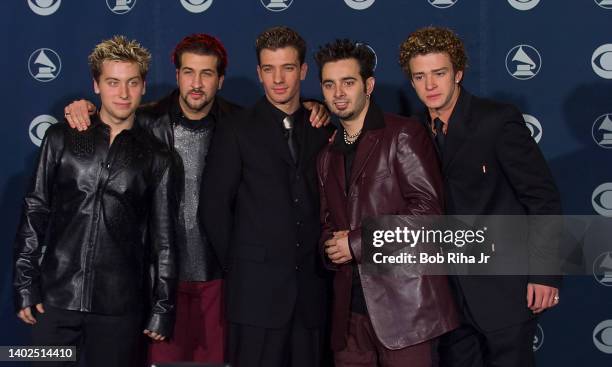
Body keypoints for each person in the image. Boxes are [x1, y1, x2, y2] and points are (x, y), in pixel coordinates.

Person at [62, 33, 328, 364]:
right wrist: (85, 107)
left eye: (206, 74)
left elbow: (285, 124)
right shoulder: (142, 121)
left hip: (218, 281)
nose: (197, 84)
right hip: (157, 282)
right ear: (177, 75)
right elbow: (109, 116)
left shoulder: (240, 124)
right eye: (189, 72)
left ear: (221, 80)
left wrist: (315, 109)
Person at [399, 26, 562, 367]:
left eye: (439, 73)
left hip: (504, 291)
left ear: (458, 73)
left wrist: (545, 274)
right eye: (420, 76)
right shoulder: (412, 132)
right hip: (447, 300)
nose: (430, 85)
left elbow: (542, 199)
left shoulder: (497, 121)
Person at [13, 35, 176, 367]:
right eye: (113, 82)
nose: (123, 93)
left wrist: (162, 307)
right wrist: (25, 283)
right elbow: (35, 209)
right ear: (96, 85)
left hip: (120, 309)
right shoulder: (61, 137)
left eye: (132, 82)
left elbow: (165, 241)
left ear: (144, 86)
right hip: (56, 302)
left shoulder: (157, 157)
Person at [314, 38, 458, 367]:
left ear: (369, 85)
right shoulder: (325, 156)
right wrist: (329, 246)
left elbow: (429, 215)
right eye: (329, 84)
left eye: (348, 82)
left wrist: (355, 242)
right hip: (349, 319)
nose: (338, 93)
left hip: (407, 313)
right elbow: (326, 224)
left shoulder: (403, 134)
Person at [200, 26, 333, 367]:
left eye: (287, 68)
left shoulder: (323, 127)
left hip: (312, 294)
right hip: (254, 295)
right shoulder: (236, 128)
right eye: (269, 69)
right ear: (258, 73)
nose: (278, 79)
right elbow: (214, 207)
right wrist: (242, 264)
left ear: (302, 71)